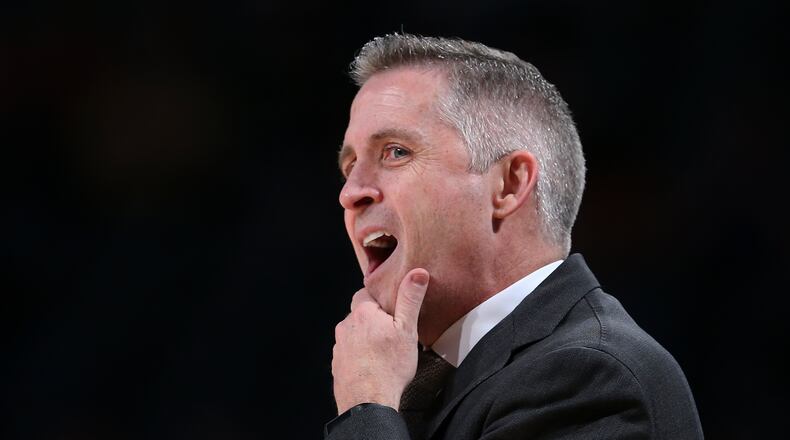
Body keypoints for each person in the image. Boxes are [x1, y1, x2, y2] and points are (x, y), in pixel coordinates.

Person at [326, 34, 703, 440]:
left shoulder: (591, 378)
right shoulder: (411, 378)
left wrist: (367, 411)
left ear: (508, 185)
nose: (350, 193)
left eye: (395, 152)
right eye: (350, 166)